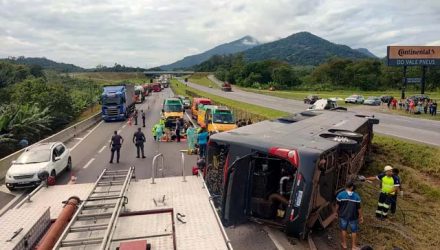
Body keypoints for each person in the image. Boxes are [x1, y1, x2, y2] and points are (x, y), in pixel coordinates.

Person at [336, 181, 363, 250]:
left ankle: (344, 244)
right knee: (354, 231)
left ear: (346, 186)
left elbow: (337, 206)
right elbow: (359, 209)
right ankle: (353, 246)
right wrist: (360, 217)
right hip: (353, 217)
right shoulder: (357, 196)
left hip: (343, 216)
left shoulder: (340, 195)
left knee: (343, 229)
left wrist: (336, 212)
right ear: (352, 187)